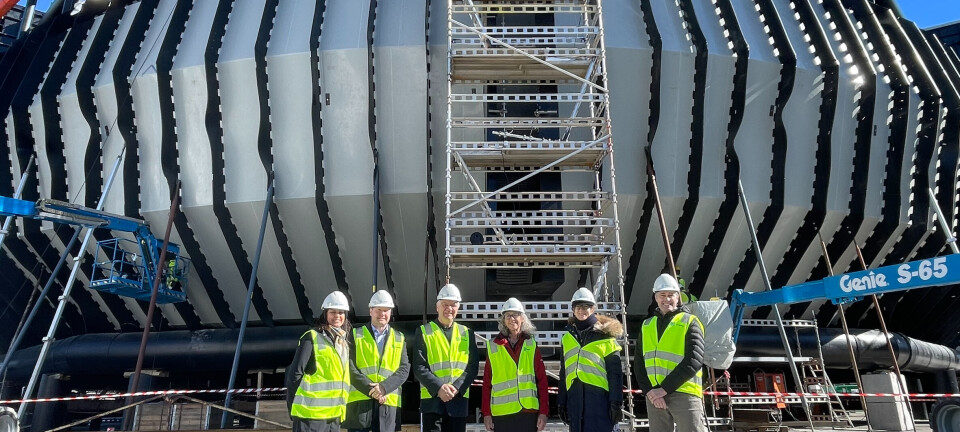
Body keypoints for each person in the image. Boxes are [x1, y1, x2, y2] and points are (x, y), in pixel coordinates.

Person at [635, 274, 707, 432]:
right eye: (662, 295)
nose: (666, 300)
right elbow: (639, 363)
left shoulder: (690, 321)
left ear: (678, 297)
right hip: (654, 396)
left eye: (670, 295)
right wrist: (650, 392)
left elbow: (694, 360)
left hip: (684, 393)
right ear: (655, 297)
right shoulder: (647, 325)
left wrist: (664, 389)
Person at [412, 283, 480, 432]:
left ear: (458, 308)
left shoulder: (467, 333)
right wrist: (439, 388)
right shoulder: (424, 331)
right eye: (445, 304)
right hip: (432, 403)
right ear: (437, 307)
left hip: (458, 403)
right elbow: (419, 367)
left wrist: (456, 388)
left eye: (453, 305)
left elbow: (472, 367)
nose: (449, 309)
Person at [558, 288, 624, 432]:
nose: (582, 310)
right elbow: (564, 374)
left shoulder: (605, 336)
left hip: (599, 401)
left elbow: (615, 374)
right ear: (573, 309)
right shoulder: (567, 339)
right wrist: (561, 402)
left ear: (593, 308)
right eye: (578, 307)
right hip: (575, 400)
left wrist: (616, 403)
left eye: (586, 306)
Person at [286, 291, 352, 432]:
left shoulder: (343, 343)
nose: (337, 316)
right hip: (310, 417)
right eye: (333, 312)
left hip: (334, 416)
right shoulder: (311, 338)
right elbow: (294, 374)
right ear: (325, 314)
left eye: (341, 312)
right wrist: (293, 406)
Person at [345, 290, 411, 432]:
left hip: (388, 404)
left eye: (386, 310)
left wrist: (383, 388)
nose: (382, 314)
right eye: (378, 310)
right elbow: (349, 367)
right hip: (361, 404)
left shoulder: (399, 337)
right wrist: (373, 390)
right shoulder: (355, 334)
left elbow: (404, 369)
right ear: (371, 311)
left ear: (390, 312)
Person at [481, 298, 549, 432]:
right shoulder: (493, 346)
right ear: (503, 320)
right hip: (502, 415)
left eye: (516, 315)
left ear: (523, 318)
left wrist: (544, 412)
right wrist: (486, 413)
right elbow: (487, 383)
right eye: (508, 315)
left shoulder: (531, 344)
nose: (512, 319)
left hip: (528, 413)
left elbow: (542, 381)